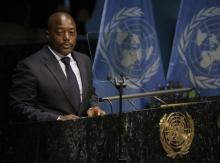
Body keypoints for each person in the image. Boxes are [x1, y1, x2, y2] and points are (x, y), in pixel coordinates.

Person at [9, 11, 105, 121]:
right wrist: (58, 119)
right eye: (60, 32)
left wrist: (93, 107)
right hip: (50, 135)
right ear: (48, 36)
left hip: (84, 133)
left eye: (72, 32)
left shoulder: (84, 60)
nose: (67, 37)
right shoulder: (30, 66)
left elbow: (90, 94)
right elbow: (19, 106)